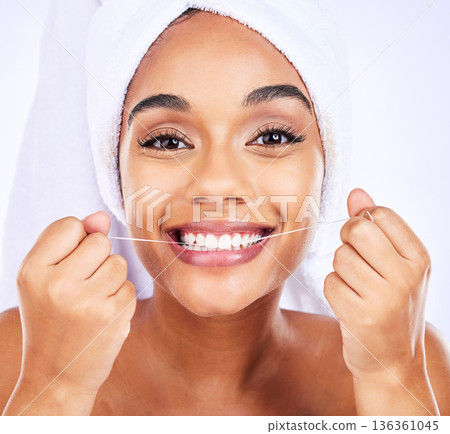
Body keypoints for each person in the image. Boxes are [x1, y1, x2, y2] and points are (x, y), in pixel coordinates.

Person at [1, 7, 449, 416]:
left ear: (327, 168)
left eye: (272, 137)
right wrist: (55, 388)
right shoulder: (19, 358)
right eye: (168, 142)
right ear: (113, 177)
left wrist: (392, 378)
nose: (216, 183)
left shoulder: (410, 361)